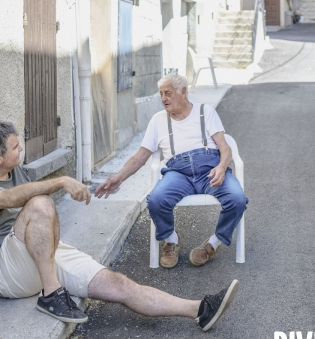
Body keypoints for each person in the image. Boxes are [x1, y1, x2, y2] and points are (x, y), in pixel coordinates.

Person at [0, 120, 239, 330]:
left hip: (33, 257)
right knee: (40, 203)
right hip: (5, 273)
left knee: (118, 283)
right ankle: (52, 294)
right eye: (16, 147)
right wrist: (61, 181)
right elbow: (8, 198)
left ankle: (199, 310)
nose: (21, 149)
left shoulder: (12, 169)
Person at [95, 73, 248, 270]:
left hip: (210, 172)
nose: (163, 99)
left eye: (168, 93)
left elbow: (225, 149)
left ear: (183, 92)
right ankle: (171, 240)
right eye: (161, 94)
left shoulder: (205, 112)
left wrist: (220, 167)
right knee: (156, 199)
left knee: (237, 199)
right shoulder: (158, 121)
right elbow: (140, 157)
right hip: (178, 174)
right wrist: (118, 178)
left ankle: (213, 244)